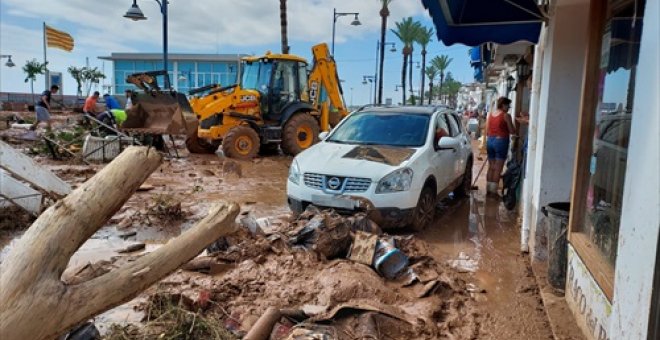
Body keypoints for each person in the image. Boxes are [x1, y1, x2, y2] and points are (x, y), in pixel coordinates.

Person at [485, 97, 515, 196]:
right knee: (498, 168)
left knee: (491, 167)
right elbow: (512, 131)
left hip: (490, 141)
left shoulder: (491, 114)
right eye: (508, 105)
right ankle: (493, 192)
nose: (509, 108)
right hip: (501, 141)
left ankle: (488, 190)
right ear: (503, 105)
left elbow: (487, 129)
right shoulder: (506, 115)